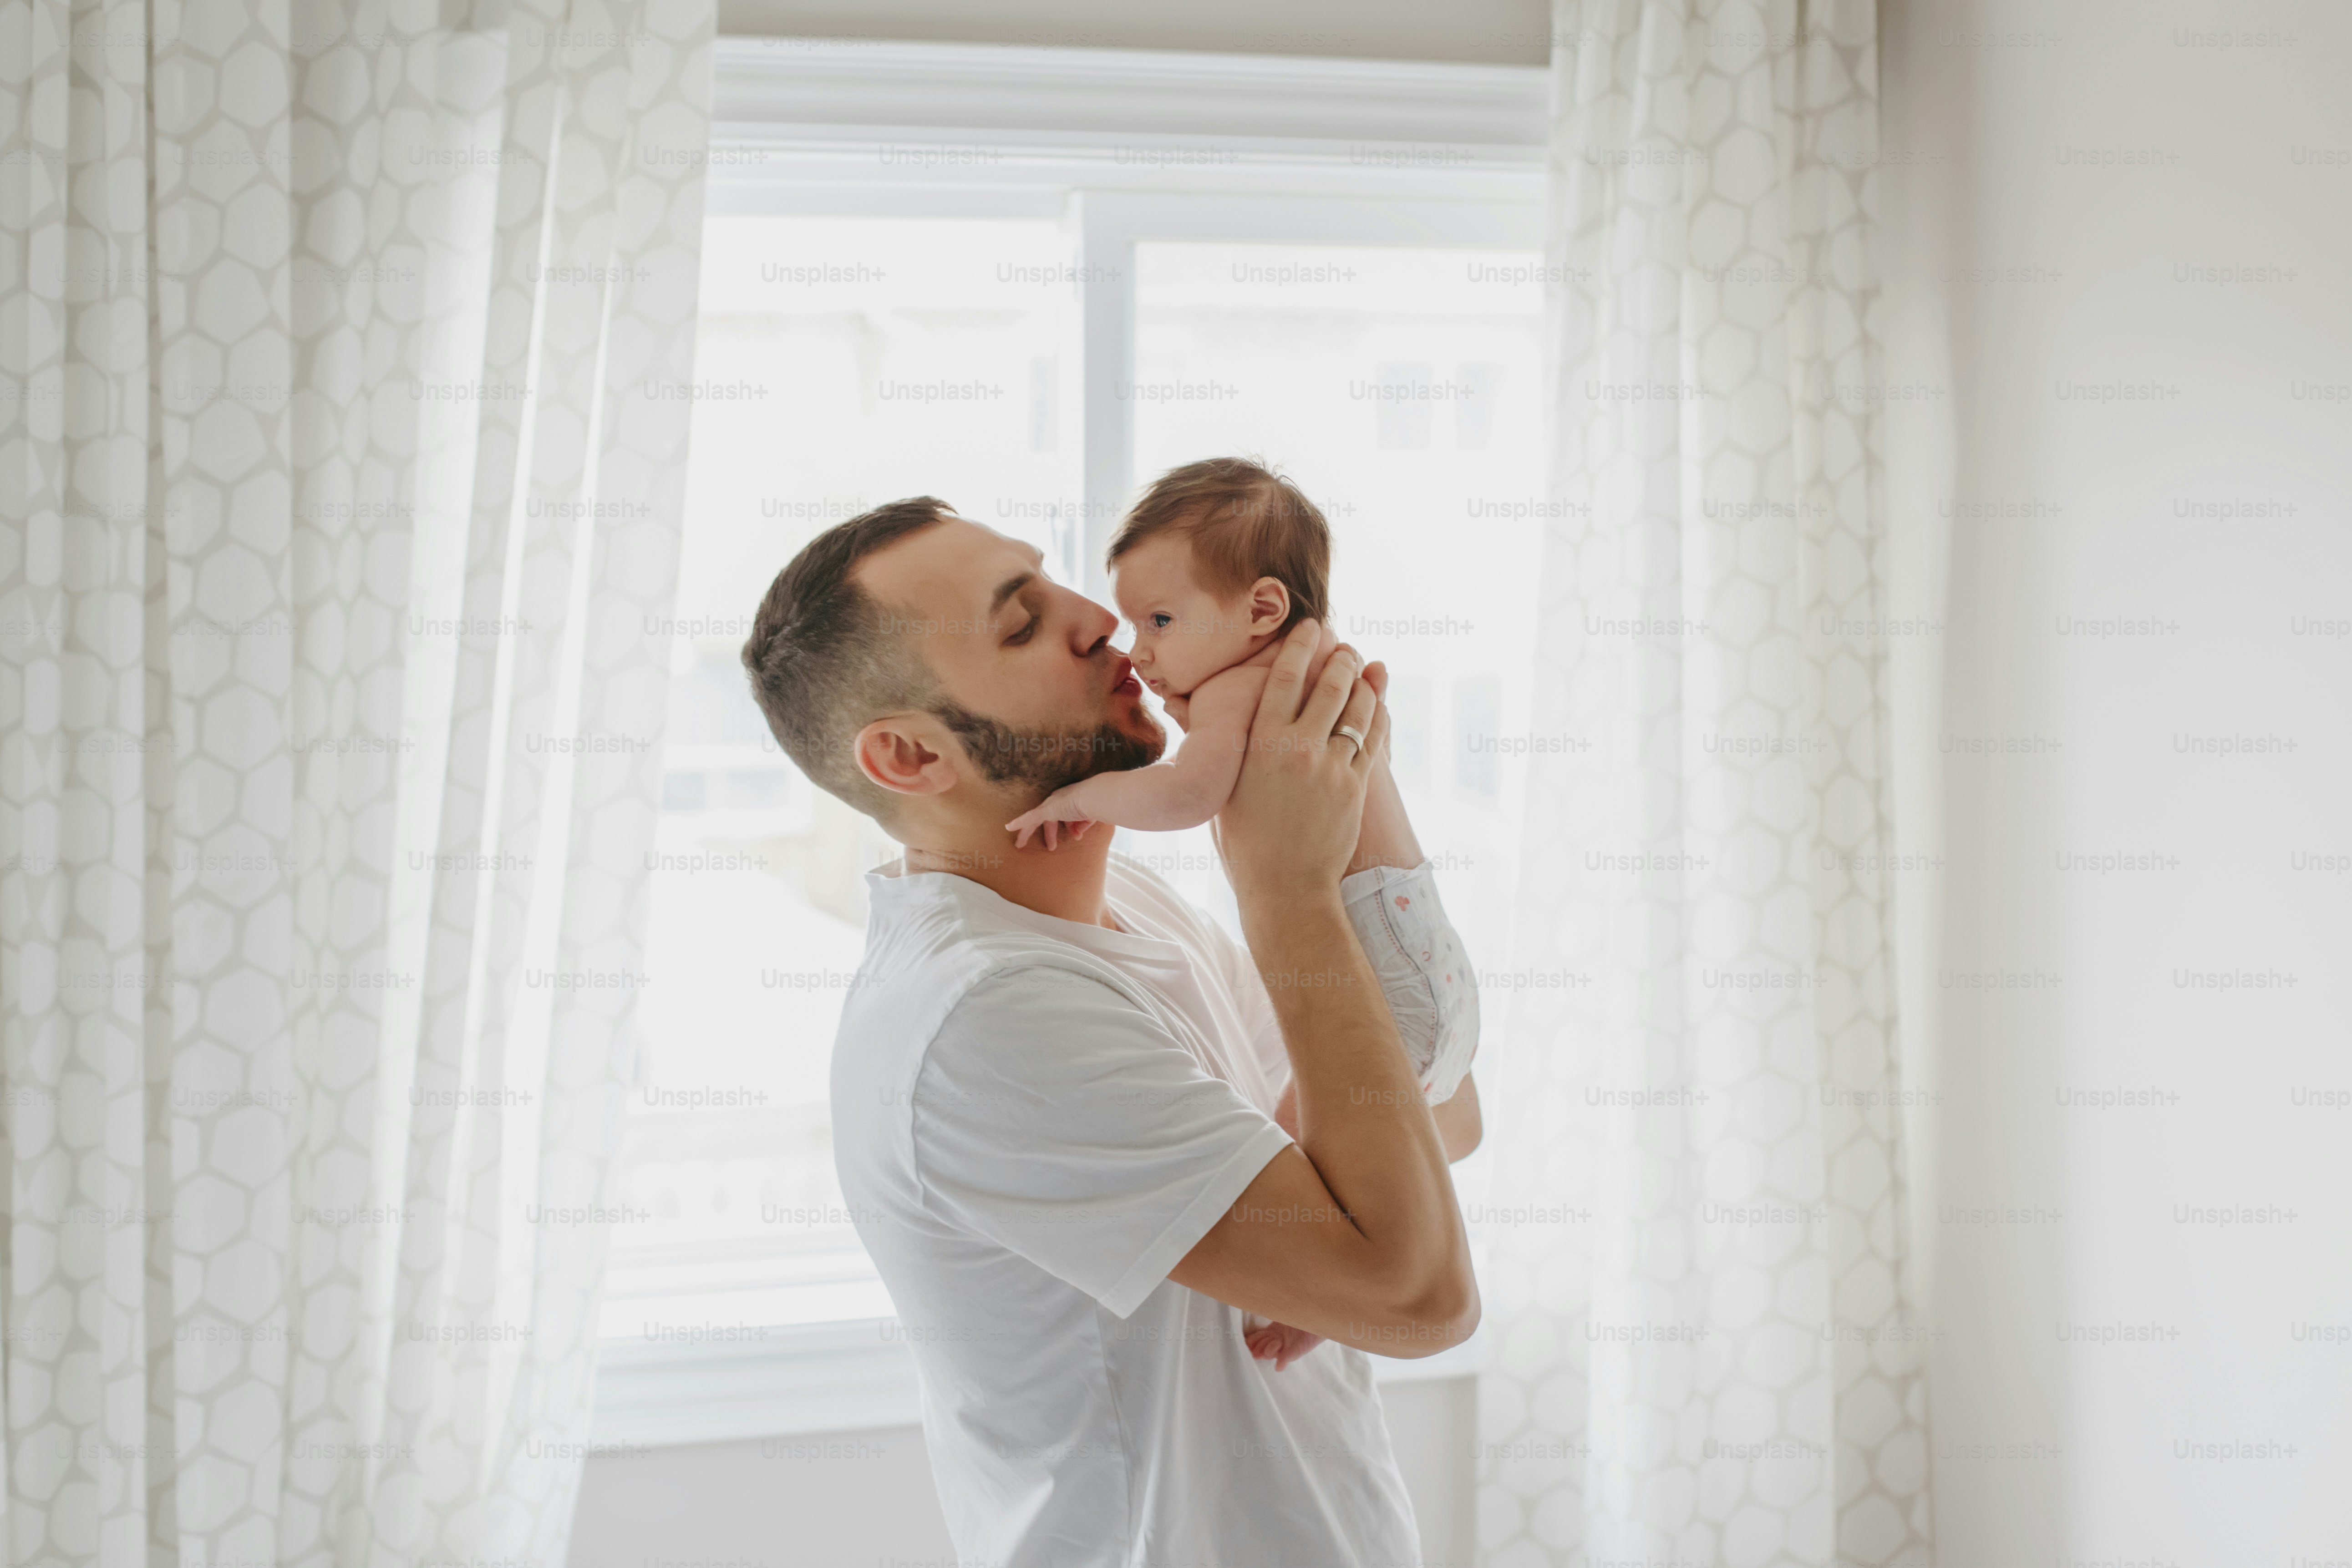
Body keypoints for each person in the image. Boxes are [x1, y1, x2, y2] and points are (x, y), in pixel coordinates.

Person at [740, 491, 1483, 1568]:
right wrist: (1288, 891)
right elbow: (1418, 1298)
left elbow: (1440, 1108)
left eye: (1051, 583)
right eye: (1019, 623)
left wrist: (1360, 787)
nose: (1096, 616)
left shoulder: (1129, 902)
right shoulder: (985, 1013)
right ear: (908, 758)